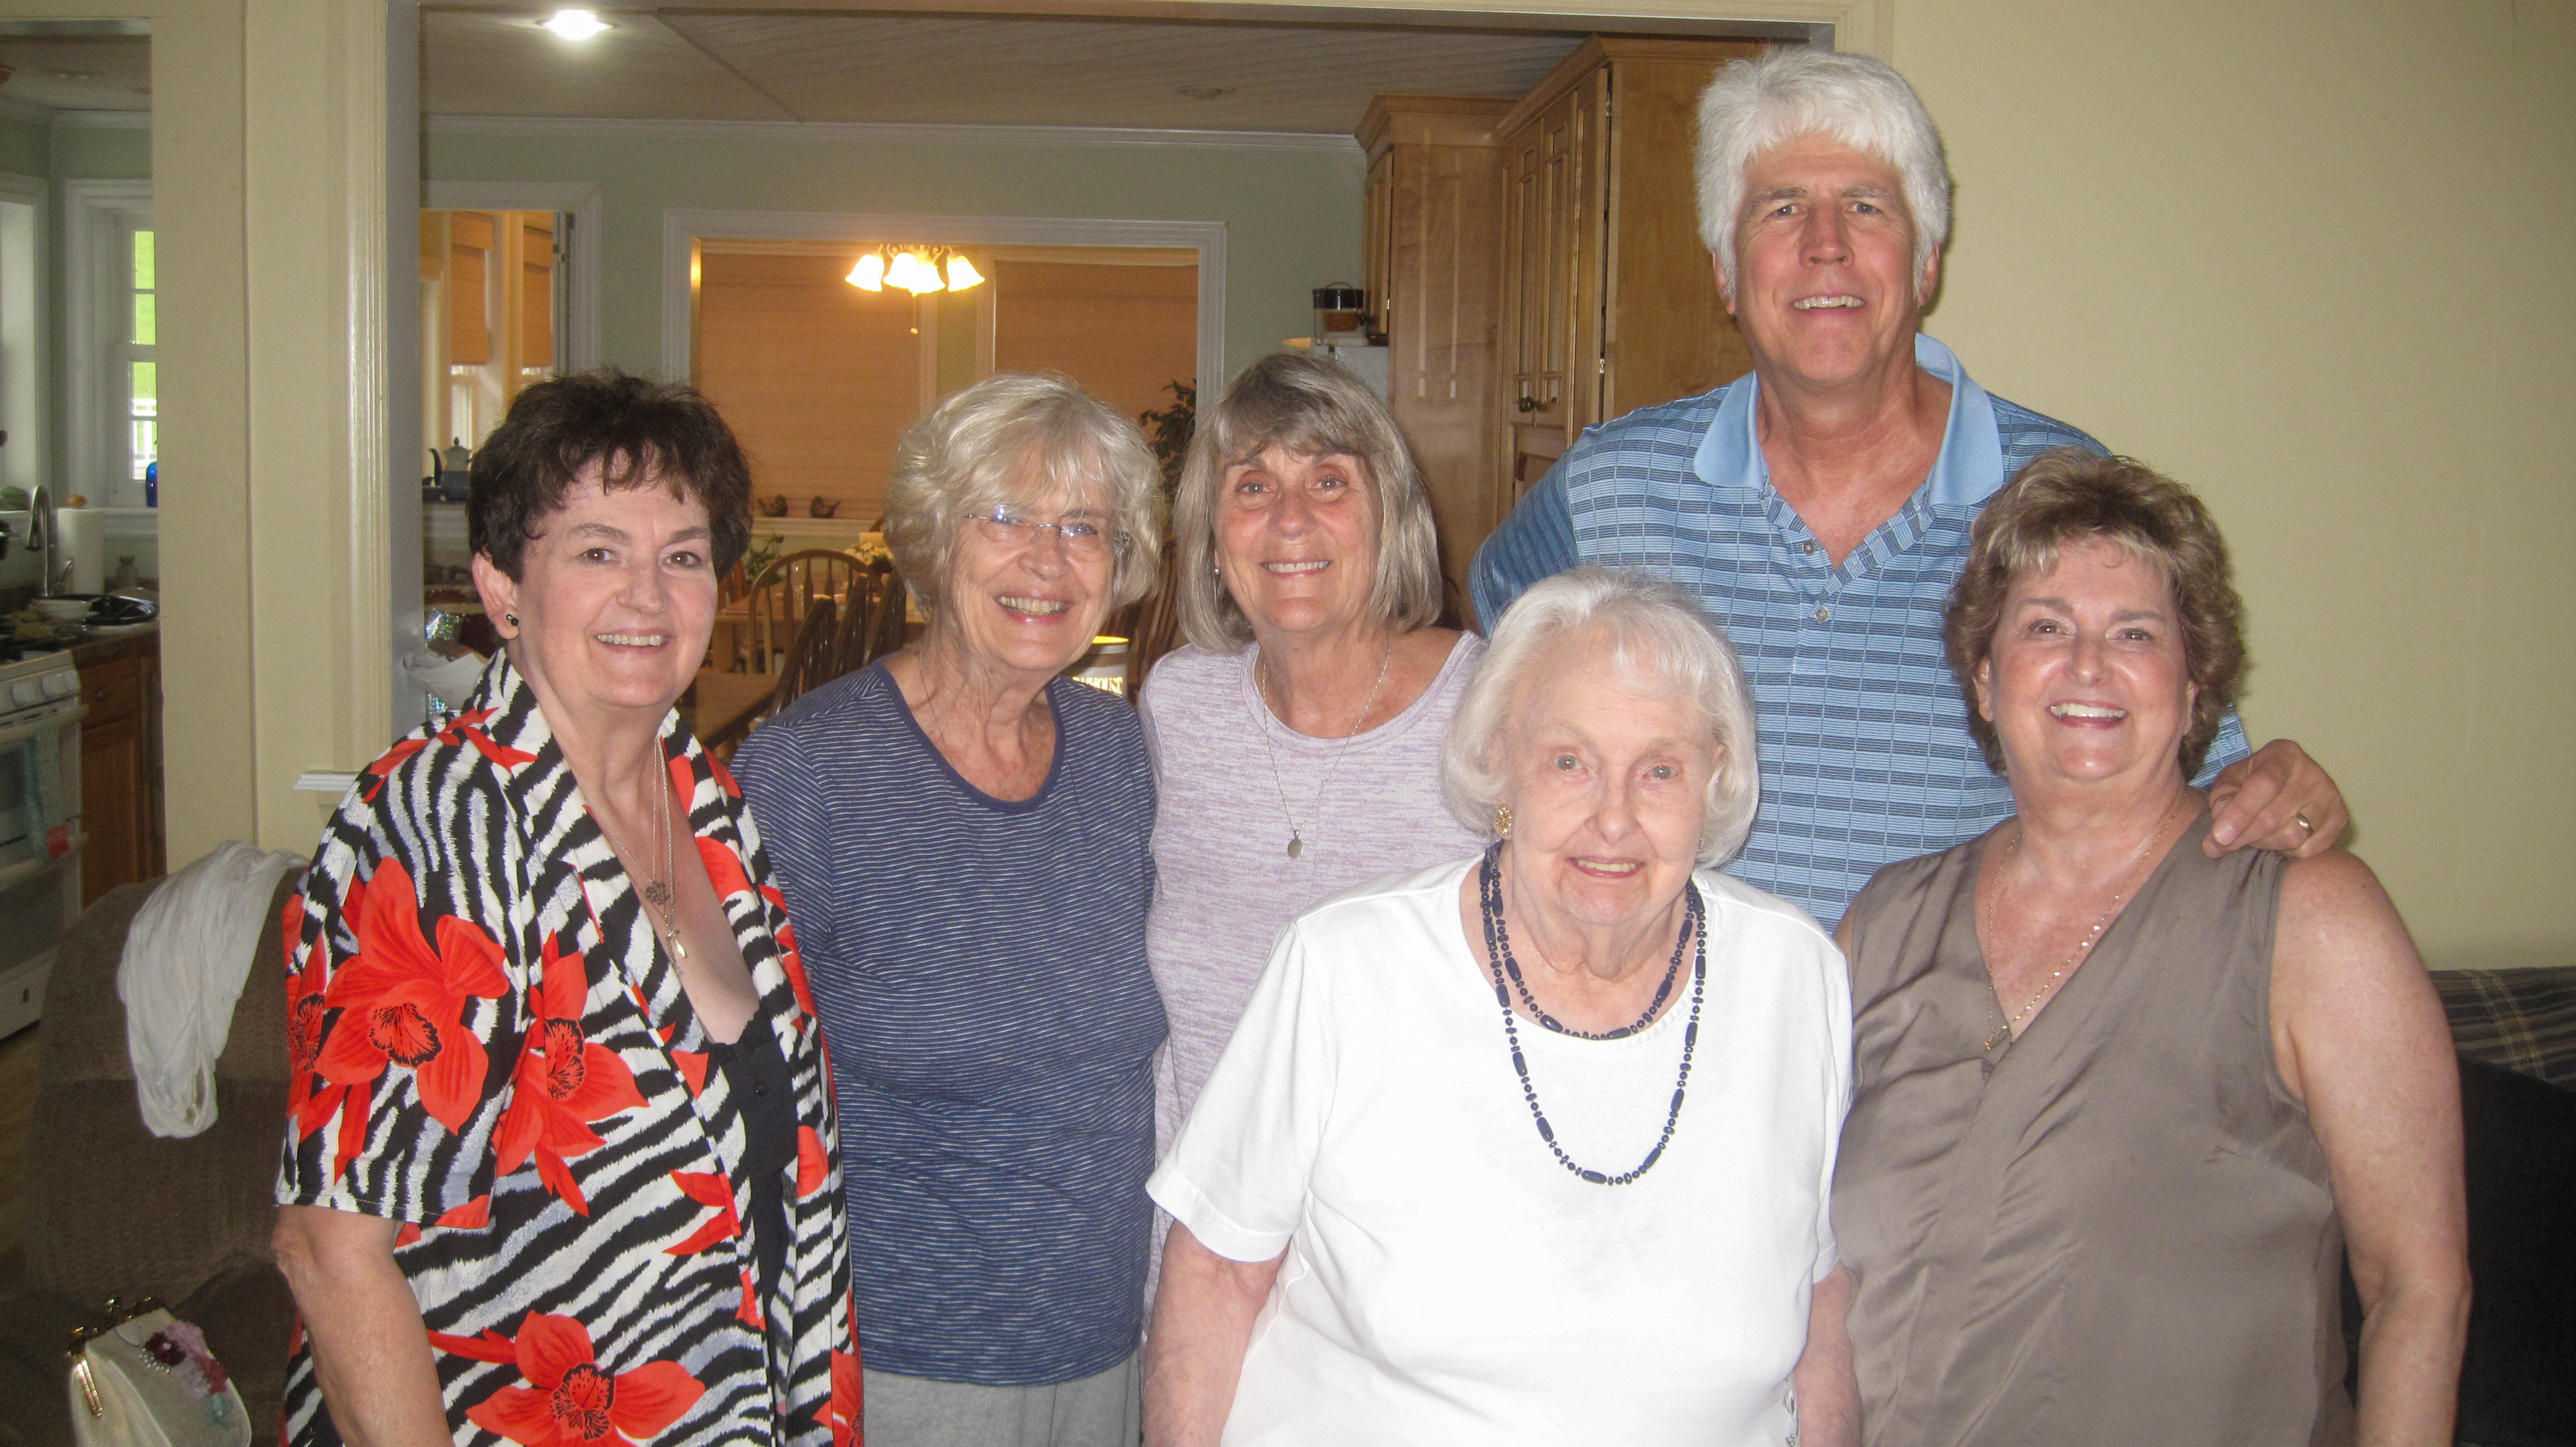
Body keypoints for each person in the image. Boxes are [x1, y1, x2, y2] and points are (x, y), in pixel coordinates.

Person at [1469, 47, 2344, 925]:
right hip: (1686, 1033)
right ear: (1726, 274)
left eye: (1865, 206)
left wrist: (2268, 789)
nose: (1826, 246)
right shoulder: (1613, 483)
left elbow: (2186, 758)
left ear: (1926, 264)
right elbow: (1494, 653)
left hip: (1961, 1037)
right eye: (1782, 209)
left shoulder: (2062, 489)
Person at [1824, 452, 2468, 1445]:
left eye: (2135, 634)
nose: (2088, 665)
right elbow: (1816, 1269)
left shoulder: (2310, 919)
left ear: (2195, 681)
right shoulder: (1880, 926)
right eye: (2046, 627)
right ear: (1987, 680)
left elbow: (2419, 1292)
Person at [272, 372, 856, 1445]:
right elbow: (331, 1244)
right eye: (597, 551)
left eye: (681, 556)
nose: (648, 595)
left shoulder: (709, 805)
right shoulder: (441, 822)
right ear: (501, 589)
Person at [1146, 568, 1856, 1446]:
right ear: (1498, 765)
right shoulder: (1348, 967)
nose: (1614, 819)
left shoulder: (1795, 977)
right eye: (1569, 763)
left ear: (1716, 780)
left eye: (1660, 770)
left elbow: (1819, 1309)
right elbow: (1214, 1274)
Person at [731, 372, 1166, 1446]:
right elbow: (738, 1103)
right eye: (1006, 518)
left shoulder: (1124, 758)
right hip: (904, 1365)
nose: (1047, 561)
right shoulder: (806, 774)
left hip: (1116, 1345)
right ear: (935, 539)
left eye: (1084, 528)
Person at [1142, 351, 1484, 1160]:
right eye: (1252, 487)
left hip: (1404, 1243)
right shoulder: (1180, 704)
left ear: (1391, 516)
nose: (1290, 518)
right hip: (1198, 1235)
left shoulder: (1498, 707)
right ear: (1215, 541)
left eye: (1329, 481)